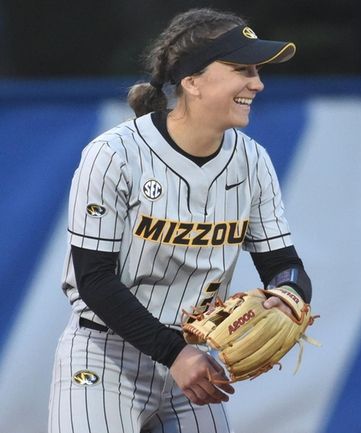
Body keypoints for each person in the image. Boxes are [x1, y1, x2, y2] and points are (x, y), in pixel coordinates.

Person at [48, 8, 312, 433]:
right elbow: (93, 279)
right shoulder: (115, 154)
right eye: (241, 69)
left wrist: (289, 293)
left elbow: (284, 261)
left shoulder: (252, 160)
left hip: (194, 358)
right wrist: (174, 354)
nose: (257, 83)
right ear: (191, 81)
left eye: (257, 71)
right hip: (105, 353)